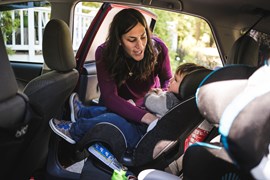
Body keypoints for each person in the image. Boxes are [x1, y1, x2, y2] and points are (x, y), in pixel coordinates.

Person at [49, 8, 172, 149]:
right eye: (132, 40)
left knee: (114, 118)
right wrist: (141, 113)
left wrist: (160, 100)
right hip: (121, 102)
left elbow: (168, 79)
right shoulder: (105, 53)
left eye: (143, 37)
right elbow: (110, 97)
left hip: (149, 104)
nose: (140, 45)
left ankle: (78, 122)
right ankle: (82, 113)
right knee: (112, 112)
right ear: (119, 40)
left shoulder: (159, 49)